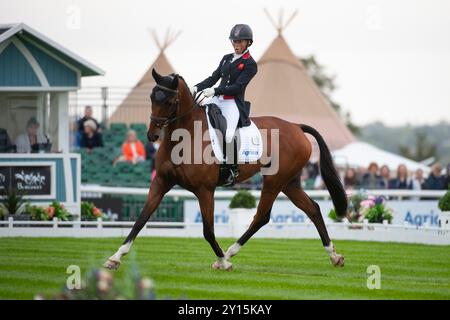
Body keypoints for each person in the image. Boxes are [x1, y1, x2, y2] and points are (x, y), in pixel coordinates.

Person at [190, 24, 258, 186]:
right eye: (233, 41)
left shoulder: (250, 64)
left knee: (227, 134)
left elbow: (238, 87)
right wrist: (196, 87)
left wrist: (215, 91)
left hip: (232, 102)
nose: (236, 44)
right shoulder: (226, 58)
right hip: (216, 98)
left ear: (248, 42)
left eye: (239, 41)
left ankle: (231, 169)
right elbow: (213, 77)